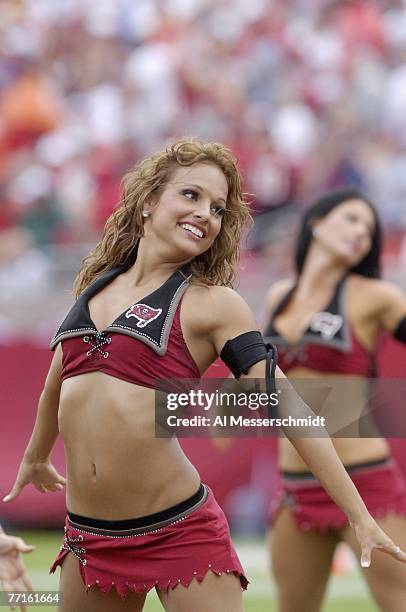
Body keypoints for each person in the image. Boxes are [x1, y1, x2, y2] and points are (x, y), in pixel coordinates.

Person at [3, 144, 405, 612]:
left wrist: (357, 513)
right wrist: (35, 455)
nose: (205, 214)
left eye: (217, 208)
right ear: (149, 200)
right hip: (91, 537)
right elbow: (58, 383)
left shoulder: (213, 303)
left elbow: (289, 405)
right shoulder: (95, 287)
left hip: (180, 531)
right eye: (191, 195)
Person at [264, 187, 406, 612]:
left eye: (369, 228)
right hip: (297, 488)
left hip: (365, 481)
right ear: (317, 223)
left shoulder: (374, 295)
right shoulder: (277, 297)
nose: (362, 231)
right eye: (351, 219)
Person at [0, 524, 34, 612]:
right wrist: (29, 548)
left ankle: (12, 604)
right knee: (18, 586)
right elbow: (23, 548)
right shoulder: (14, 540)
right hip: (17, 568)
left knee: (6, 582)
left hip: (4, 570)